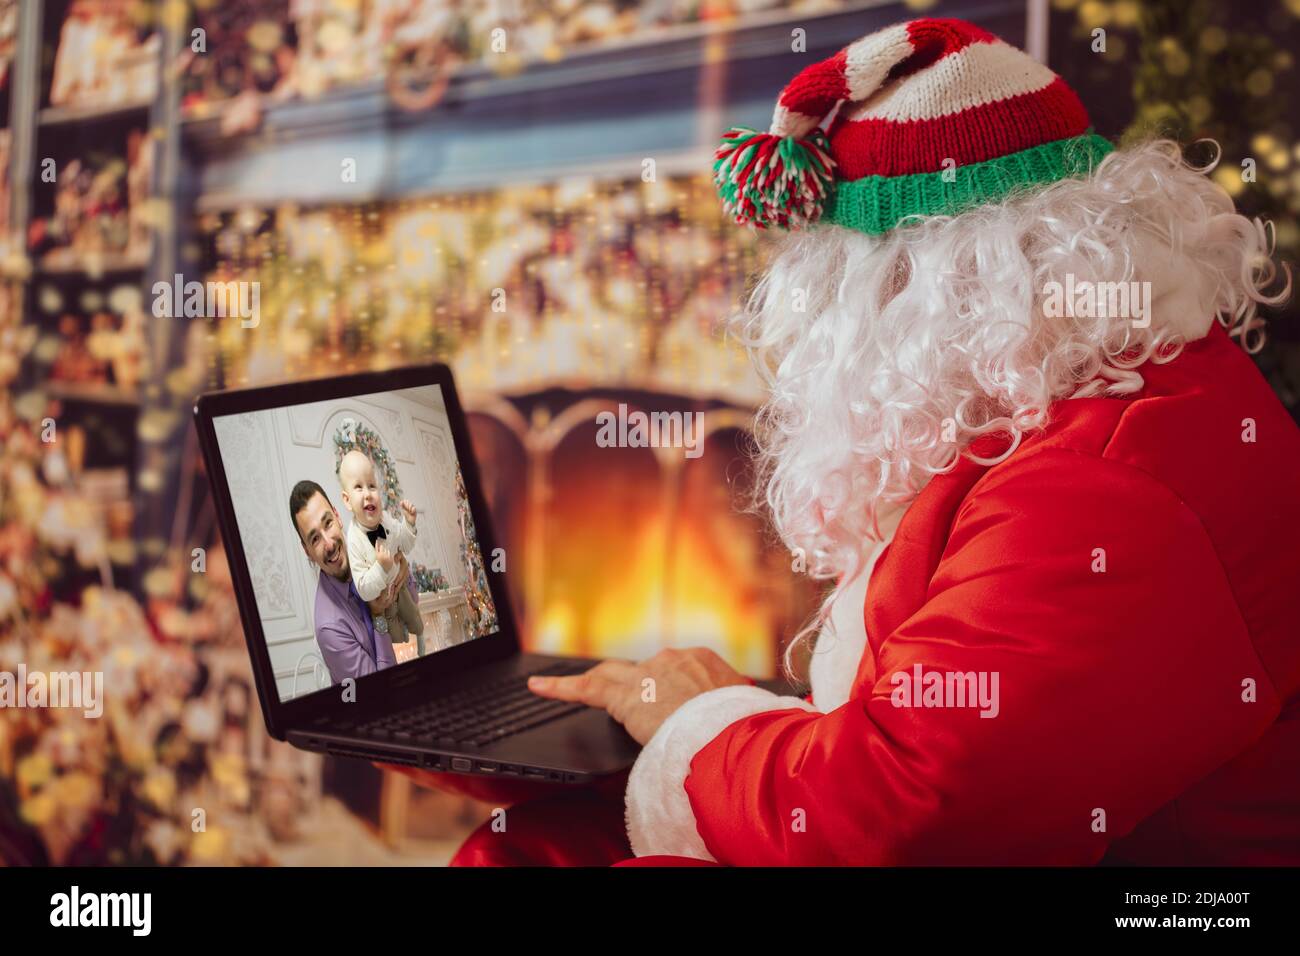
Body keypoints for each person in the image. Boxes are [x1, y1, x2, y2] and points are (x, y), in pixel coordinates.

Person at [387, 16, 1300, 865]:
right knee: (534, 839)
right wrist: (675, 714)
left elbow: (908, 812)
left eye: (835, 287)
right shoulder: (1101, 392)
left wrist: (702, 722)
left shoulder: (1100, 488)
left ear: (931, 283)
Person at [289, 479, 413, 687]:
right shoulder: (329, 628)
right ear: (307, 551)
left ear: (338, 517)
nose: (328, 544)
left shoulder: (369, 547)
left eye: (327, 523)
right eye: (315, 539)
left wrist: (403, 572)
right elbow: (380, 692)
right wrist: (377, 615)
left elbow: (413, 605)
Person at [337, 449, 426, 650]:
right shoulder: (353, 539)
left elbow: (405, 544)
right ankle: (405, 638)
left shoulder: (385, 518)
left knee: (413, 615)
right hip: (382, 599)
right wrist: (380, 568)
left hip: (400, 585)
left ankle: (420, 637)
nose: (368, 494)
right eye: (358, 487)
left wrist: (409, 525)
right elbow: (363, 589)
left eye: (372, 486)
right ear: (347, 500)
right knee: (394, 634)